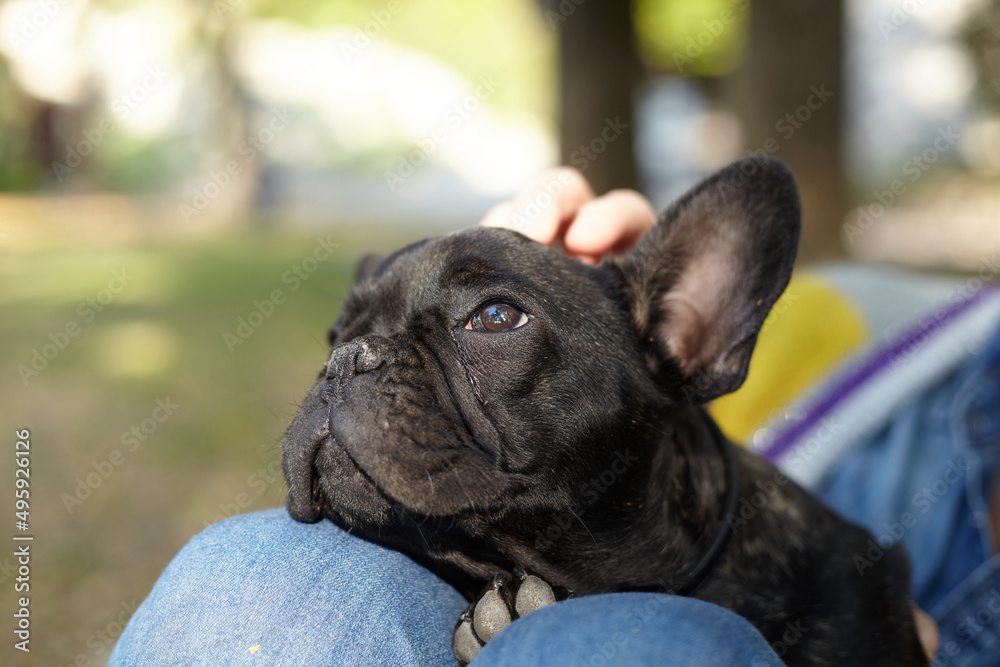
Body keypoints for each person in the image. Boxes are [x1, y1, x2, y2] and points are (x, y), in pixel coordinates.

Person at [110, 166, 1000, 666]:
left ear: (693, 334)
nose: (357, 364)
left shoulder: (842, 590)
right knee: (256, 575)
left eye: (489, 317)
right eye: (350, 339)